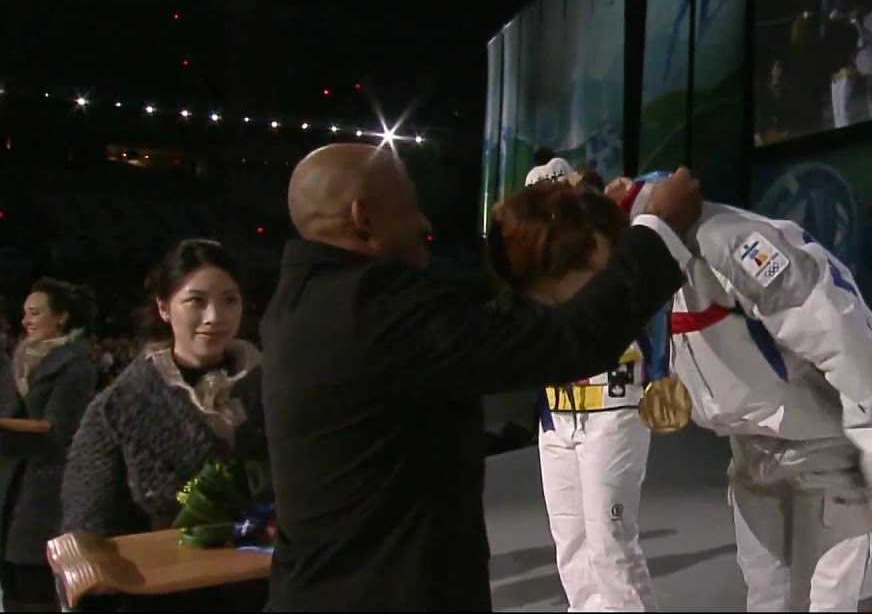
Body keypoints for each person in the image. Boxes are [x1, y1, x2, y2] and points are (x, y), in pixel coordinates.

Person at [259, 144, 701, 611]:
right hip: (384, 595)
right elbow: (569, 341)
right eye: (409, 205)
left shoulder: (301, 304)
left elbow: (480, 328)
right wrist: (659, 230)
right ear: (363, 217)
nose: (424, 224)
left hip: (329, 589)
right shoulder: (371, 310)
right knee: (583, 545)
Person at [609, 174, 872, 612]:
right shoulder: (629, 271)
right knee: (771, 602)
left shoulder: (732, 247)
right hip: (755, 455)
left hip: (836, 455)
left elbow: (854, 348)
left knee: (844, 602)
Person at [61, 239, 268, 610]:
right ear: (164, 307)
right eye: (196, 300)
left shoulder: (272, 389)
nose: (214, 317)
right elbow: (89, 528)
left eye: (229, 300)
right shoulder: (119, 406)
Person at [490, 180, 659, 612]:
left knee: (611, 543)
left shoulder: (606, 252)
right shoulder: (538, 270)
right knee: (570, 543)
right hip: (558, 417)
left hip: (613, 407)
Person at [0, 278, 98, 612]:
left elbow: (58, 429)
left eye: (35, 313)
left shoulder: (76, 365)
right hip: (11, 481)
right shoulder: (20, 359)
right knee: (10, 579)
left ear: (62, 318)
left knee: (34, 581)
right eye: (24, 313)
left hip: (44, 487)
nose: (25, 320)